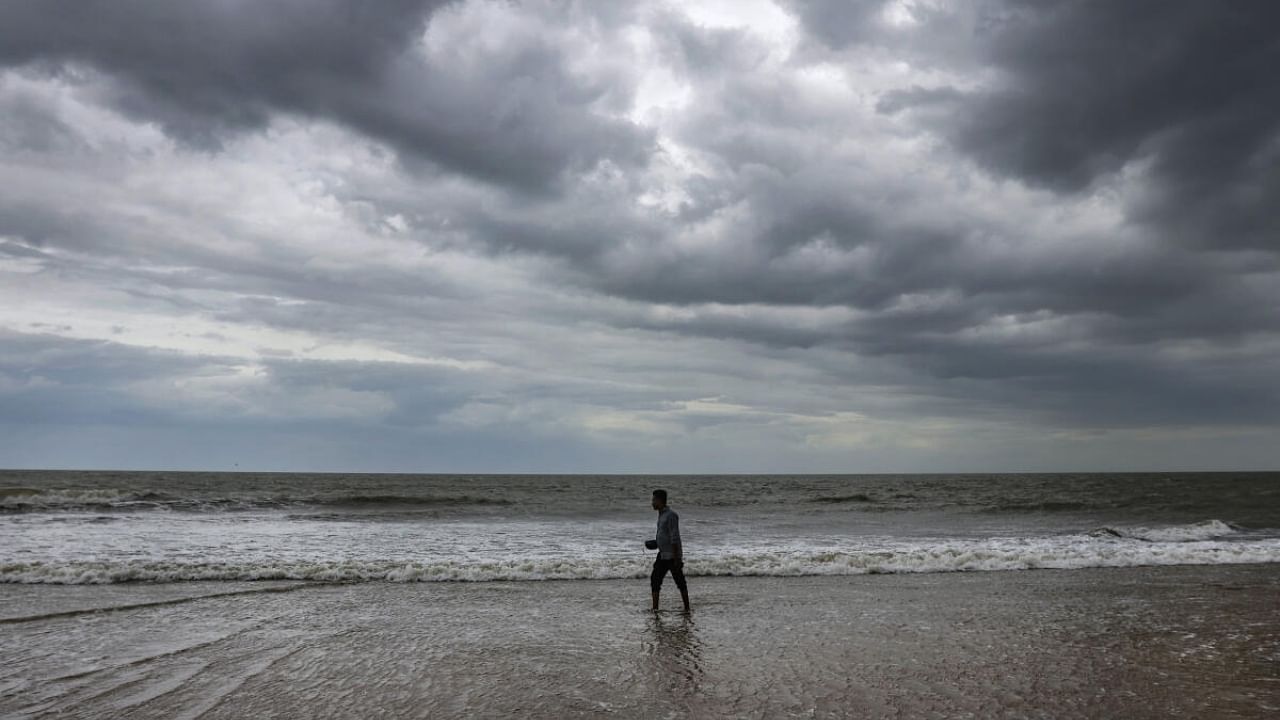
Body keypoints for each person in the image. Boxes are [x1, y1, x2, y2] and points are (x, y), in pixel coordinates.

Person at [649, 488, 690, 612]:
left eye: (654, 500)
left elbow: (674, 537)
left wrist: (677, 558)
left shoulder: (671, 515)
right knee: (655, 579)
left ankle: (687, 608)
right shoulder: (661, 515)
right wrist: (656, 543)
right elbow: (664, 536)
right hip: (662, 554)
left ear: (660, 500)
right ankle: (655, 609)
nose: (652, 502)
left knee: (680, 582)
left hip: (672, 556)